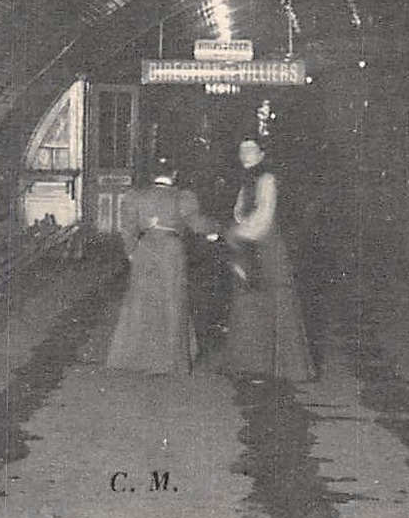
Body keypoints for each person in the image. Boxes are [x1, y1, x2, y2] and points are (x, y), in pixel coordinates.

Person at [105, 158, 213, 375]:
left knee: (141, 302)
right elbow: (197, 224)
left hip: (145, 248)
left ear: (152, 176)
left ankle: (135, 359)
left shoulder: (135, 196)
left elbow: (127, 229)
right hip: (172, 251)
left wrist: (132, 252)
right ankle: (171, 362)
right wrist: (215, 230)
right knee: (172, 301)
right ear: (173, 174)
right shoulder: (182, 197)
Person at [223, 136, 314, 382]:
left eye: (251, 150)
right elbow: (240, 211)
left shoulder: (267, 179)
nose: (245, 154)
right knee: (249, 303)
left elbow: (264, 218)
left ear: (262, 154)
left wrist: (236, 232)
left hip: (267, 248)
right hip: (250, 245)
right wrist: (239, 225)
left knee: (270, 302)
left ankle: (275, 368)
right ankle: (252, 365)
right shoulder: (248, 180)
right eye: (242, 150)